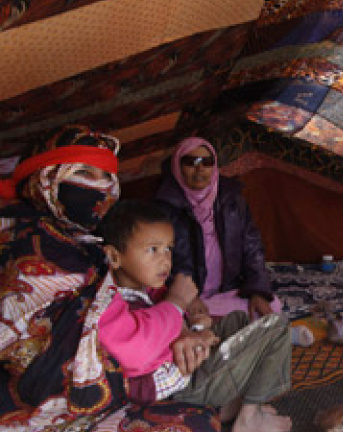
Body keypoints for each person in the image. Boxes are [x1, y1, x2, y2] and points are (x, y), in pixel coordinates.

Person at [0, 126, 216, 431]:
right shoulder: (46, 252)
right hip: (35, 412)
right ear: (46, 179)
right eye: (84, 173)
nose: (100, 188)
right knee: (194, 421)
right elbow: (131, 349)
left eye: (107, 176)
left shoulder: (65, 237)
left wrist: (182, 323)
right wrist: (177, 305)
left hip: (71, 394)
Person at [98, 199, 292, 432]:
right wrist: (197, 333)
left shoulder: (144, 291)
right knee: (275, 327)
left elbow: (170, 328)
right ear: (114, 257)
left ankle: (229, 404)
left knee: (238, 320)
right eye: (152, 250)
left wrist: (193, 328)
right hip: (181, 388)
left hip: (187, 371)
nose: (165, 260)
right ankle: (250, 417)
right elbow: (155, 366)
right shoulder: (116, 305)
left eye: (168, 249)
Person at [155, 137, 313, 346]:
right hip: (186, 297)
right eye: (191, 162)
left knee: (270, 304)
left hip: (224, 294)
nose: (199, 169)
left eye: (207, 162)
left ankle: (246, 336)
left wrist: (256, 290)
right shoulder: (162, 208)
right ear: (177, 166)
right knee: (177, 319)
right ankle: (269, 336)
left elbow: (252, 246)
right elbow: (158, 260)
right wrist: (185, 297)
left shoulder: (231, 199)